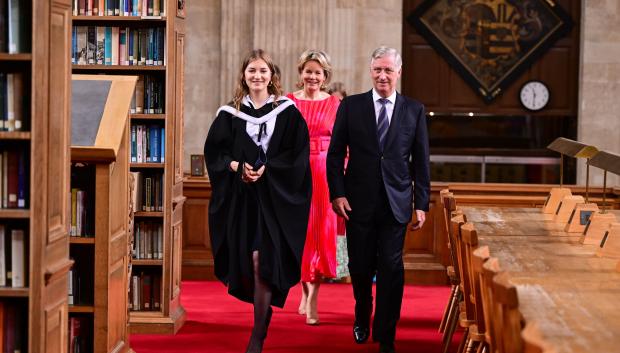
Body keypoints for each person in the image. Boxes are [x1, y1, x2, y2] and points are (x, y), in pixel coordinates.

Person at [204, 49, 312, 353]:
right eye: (252, 70)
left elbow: (297, 154)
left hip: (275, 199)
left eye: (263, 71)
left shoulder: (287, 111)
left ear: (272, 76)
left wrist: (269, 168)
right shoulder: (230, 113)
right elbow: (215, 153)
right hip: (241, 200)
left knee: (261, 260)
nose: (257, 76)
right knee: (249, 264)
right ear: (243, 75)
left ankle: (258, 333)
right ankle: (262, 315)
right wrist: (236, 167)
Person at [326, 46, 430, 353]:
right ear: (370, 71)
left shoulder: (414, 110)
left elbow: (421, 161)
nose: (382, 75)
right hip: (357, 201)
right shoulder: (351, 107)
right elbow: (334, 155)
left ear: (399, 72)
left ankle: (386, 332)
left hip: (396, 202)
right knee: (359, 265)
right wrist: (337, 193)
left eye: (388, 70)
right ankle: (362, 315)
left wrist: (421, 203)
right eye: (377, 70)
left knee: (390, 266)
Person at [286, 50, 340, 326]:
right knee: (301, 233)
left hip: (324, 172)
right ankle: (304, 291)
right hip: (295, 171)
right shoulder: (288, 102)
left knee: (321, 233)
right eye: (308, 71)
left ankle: (313, 299)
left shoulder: (335, 104)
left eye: (318, 72)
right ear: (301, 73)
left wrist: (343, 176)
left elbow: (345, 145)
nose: (312, 76)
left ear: (325, 76)